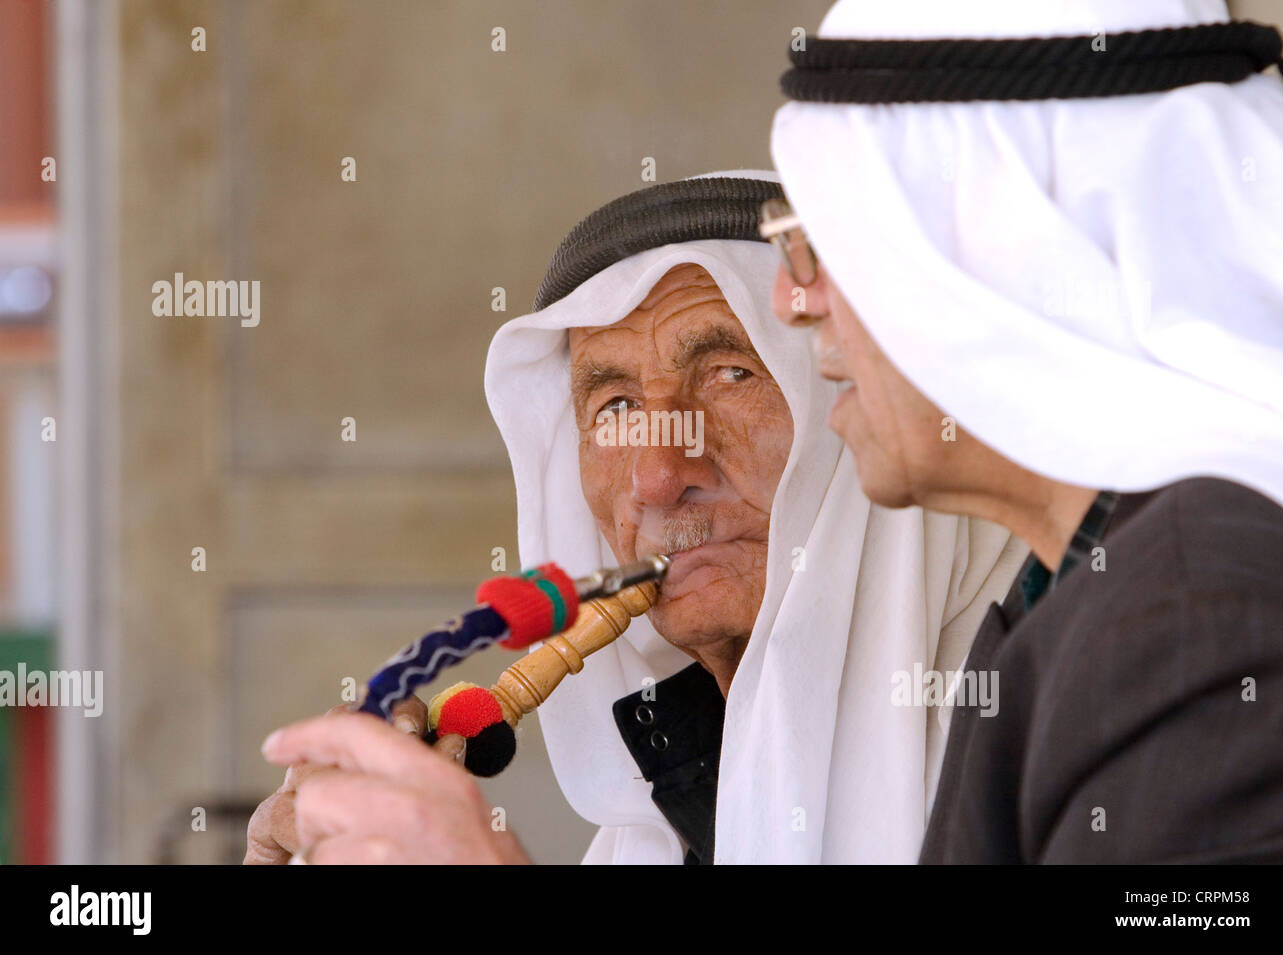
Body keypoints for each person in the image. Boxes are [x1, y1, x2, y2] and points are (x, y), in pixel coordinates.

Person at [247, 172, 1027, 864]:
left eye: (730, 374)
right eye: (616, 406)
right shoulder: (660, 821)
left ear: (847, 393)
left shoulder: (1037, 719)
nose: (658, 477)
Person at [766, 0, 1283, 862]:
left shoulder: (1201, 617)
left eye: (821, 240)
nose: (793, 301)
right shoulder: (1097, 581)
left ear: (995, 247)